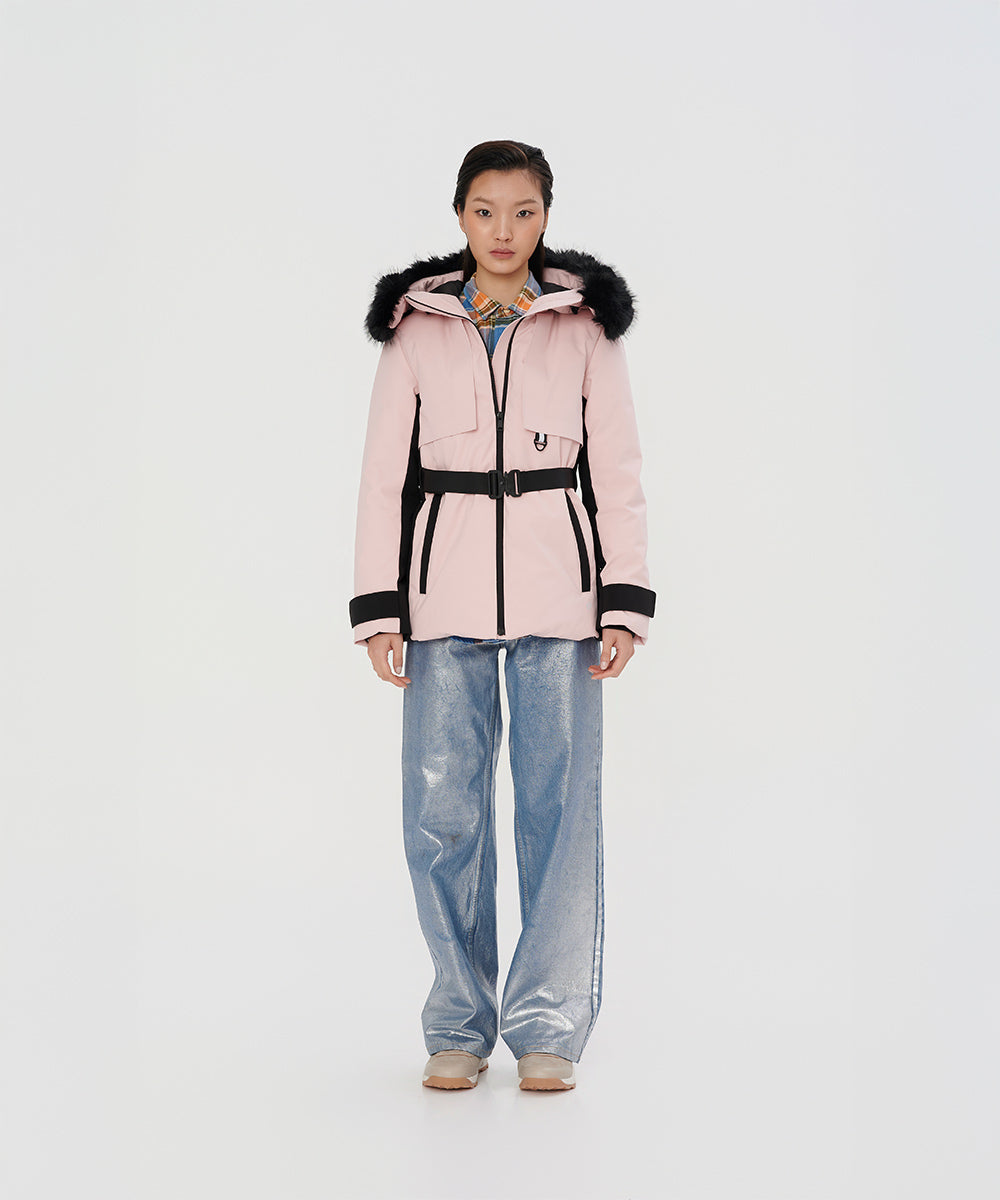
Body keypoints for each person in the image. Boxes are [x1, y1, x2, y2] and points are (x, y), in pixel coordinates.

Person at [349, 140, 655, 1092]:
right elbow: (382, 478)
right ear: (460, 217)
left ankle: (548, 1026)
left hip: (562, 604)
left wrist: (623, 600)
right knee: (441, 816)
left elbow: (618, 473)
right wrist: (380, 607)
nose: (504, 230)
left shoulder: (584, 327)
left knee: (559, 815)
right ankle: (458, 1021)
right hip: (440, 604)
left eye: (523, 211)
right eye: (485, 211)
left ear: (545, 216)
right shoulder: (415, 331)